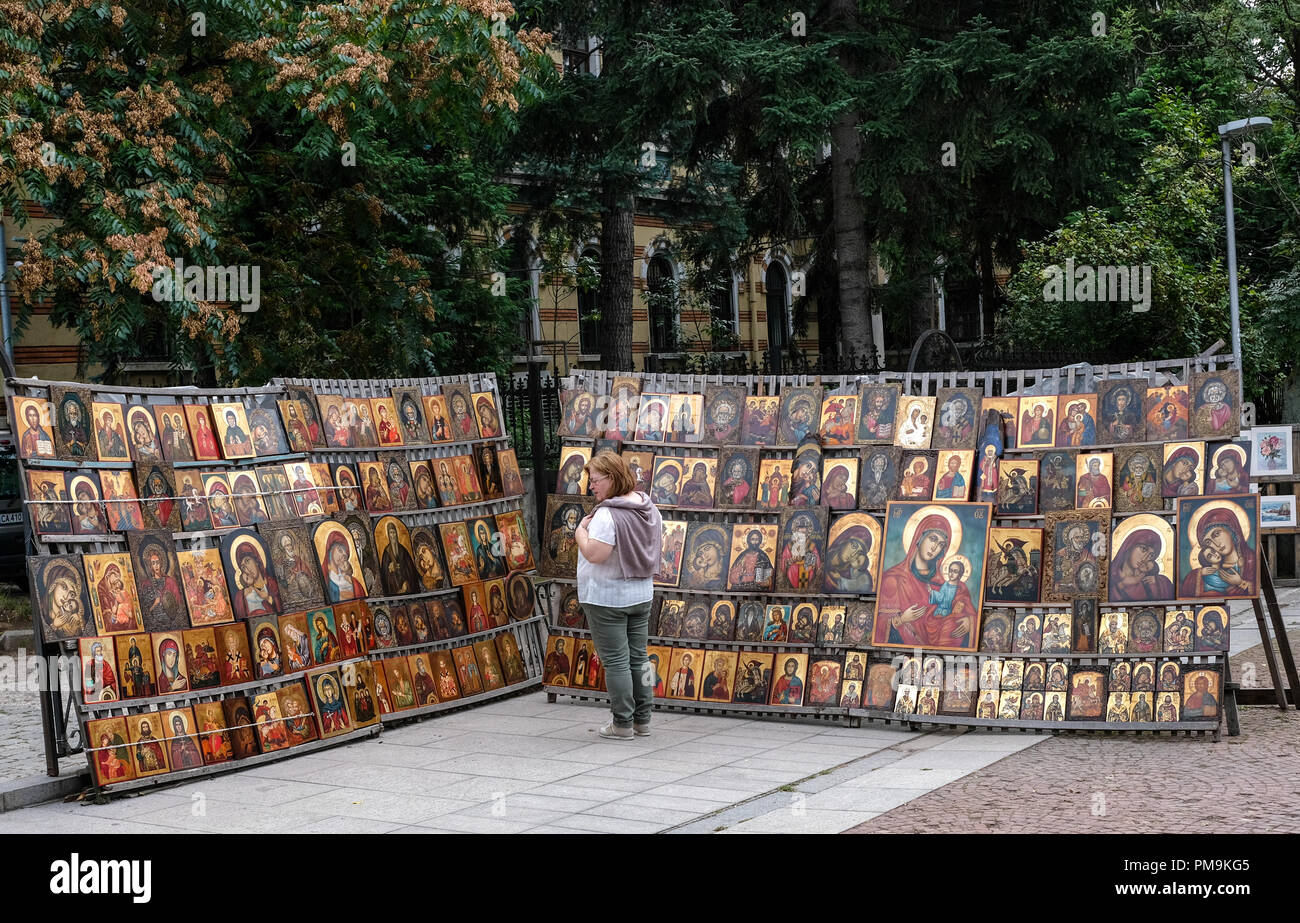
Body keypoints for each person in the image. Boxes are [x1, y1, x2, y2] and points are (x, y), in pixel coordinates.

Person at [575, 451, 663, 740]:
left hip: (607, 597)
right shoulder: (648, 507)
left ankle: (622, 723)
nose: (591, 486)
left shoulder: (607, 515)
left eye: (596, 480)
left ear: (612, 479)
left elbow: (595, 554)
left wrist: (579, 532)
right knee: (638, 657)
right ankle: (643, 720)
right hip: (640, 594)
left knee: (616, 661)